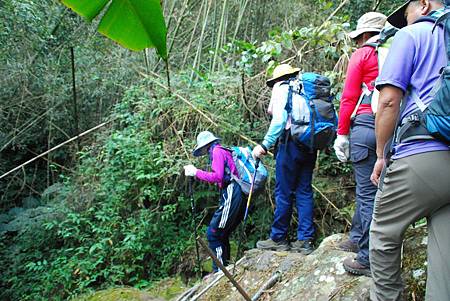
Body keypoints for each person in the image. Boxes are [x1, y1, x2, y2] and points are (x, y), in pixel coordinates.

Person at [369, 1, 450, 300]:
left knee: (383, 235)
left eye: (406, 15)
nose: (405, 23)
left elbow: (389, 101)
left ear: (424, 4)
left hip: (422, 152)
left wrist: (381, 154)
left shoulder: (413, 34)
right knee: (445, 259)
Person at [333, 12, 387, 277]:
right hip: (393, 128)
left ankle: (367, 258)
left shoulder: (363, 54)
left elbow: (349, 96)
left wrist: (341, 133)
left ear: (365, 35)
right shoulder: (398, 49)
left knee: (368, 194)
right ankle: (357, 236)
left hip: (365, 125)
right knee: (373, 189)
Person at [252, 64, 316, 254]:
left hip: (290, 143)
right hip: (310, 143)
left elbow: (279, 119)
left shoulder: (282, 88)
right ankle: (305, 240)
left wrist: (265, 144)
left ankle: (279, 237)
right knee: (304, 190)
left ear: (277, 80)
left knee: (284, 192)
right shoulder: (306, 88)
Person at [184, 131, 246, 273]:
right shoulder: (221, 150)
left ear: (205, 146)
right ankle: (224, 267)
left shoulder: (217, 151)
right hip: (235, 192)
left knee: (214, 232)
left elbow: (218, 177)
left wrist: (196, 172)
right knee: (222, 233)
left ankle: (219, 270)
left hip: (232, 191)